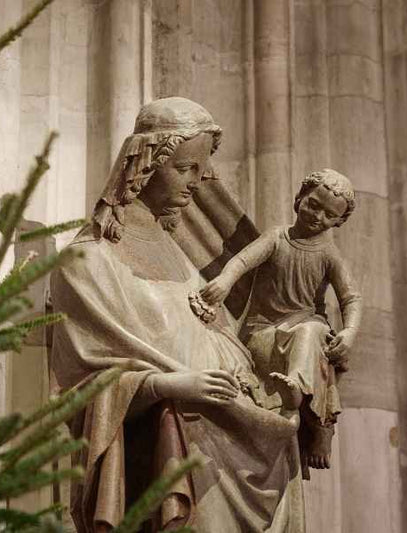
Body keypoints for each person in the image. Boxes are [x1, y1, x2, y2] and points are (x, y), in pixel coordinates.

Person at [51, 97, 305, 532]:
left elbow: (213, 335)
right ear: (146, 163)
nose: (196, 184)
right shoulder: (88, 261)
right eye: (185, 168)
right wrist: (166, 385)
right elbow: (80, 385)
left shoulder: (178, 254)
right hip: (172, 448)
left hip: (234, 437)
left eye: (201, 171)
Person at [199, 169, 362, 470]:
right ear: (299, 198)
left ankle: (305, 402)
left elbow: (351, 298)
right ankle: (301, 399)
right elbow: (242, 261)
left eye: (329, 215)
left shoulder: (329, 254)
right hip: (263, 334)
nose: (317, 217)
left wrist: (349, 332)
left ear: (339, 221)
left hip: (305, 332)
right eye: (313, 205)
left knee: (311, 332)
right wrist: (224, 281)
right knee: (309, 337)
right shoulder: (277, 237)